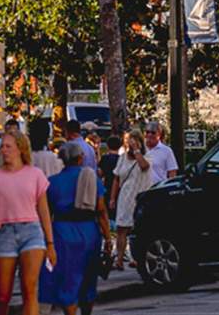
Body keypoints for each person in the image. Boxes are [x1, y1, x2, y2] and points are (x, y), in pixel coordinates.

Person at [39, 141, 112, 315]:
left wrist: (47, 242)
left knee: (68, 278)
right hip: (88, 231)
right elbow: (101, 211)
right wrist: (108, 238)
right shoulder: (91, 178)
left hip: (62, 232)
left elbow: (46, 214)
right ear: (80, 158)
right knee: (89, 276)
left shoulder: (52, 182)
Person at [0, 130, 55, 315]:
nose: (4, 150)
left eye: (8, 146)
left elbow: (44, 210)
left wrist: (50, 243)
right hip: (5, 232)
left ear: (20, 149)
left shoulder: (35, 174)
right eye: (2, 147)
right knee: (3, 294)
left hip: (31, 231)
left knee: (30, 289)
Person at [109, 128, 152, 270]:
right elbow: (116, 178)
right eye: (128, 141)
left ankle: (137, 258)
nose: (129, 144)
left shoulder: (147, 156)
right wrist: (113, 198)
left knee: (139, 229)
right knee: (122, 228)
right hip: (125, 196)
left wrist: (136, 150)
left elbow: (144, 166)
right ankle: (119, 259)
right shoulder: (122, 158)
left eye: (133, 141)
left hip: (140, 196)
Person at [98, 137, 121, 218]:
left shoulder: (104, 158)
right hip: (118, 187)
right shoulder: (121, 159)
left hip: (106, 185)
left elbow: (100, 173)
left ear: (107, 146)